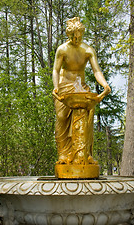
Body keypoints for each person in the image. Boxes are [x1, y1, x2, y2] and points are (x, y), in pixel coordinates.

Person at [52, 17, 111, 165]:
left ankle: (85, 154)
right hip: (64, 85)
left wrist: (105, 85)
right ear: (68, 35)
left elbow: (96, 71)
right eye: (73, 36)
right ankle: (63, 155)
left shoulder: (88, 50)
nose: (76, 39)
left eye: (79, 36)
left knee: (87, 118)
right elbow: (55, 70)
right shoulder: (62, 49)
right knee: (61, 118)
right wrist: (56, 86)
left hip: (81, 87)